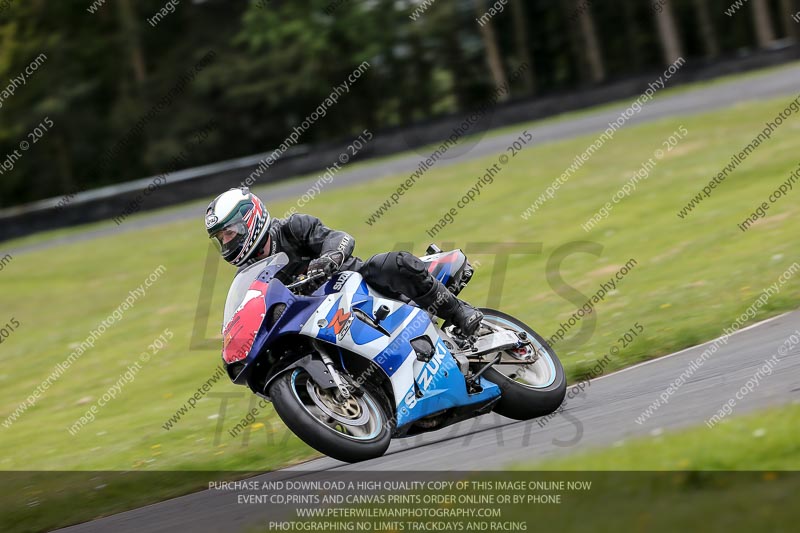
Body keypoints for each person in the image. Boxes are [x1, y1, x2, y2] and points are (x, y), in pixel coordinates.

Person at [205, 187, 483, 335]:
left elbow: (340, 238)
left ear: (249, 220)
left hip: (358, 286)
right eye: (221, 238)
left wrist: (329, 258)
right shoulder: (251, 275)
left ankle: (460, 313)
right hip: (321, 320)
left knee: (393, 263)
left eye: (230, 233)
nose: (227, 242)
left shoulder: (293, 227)